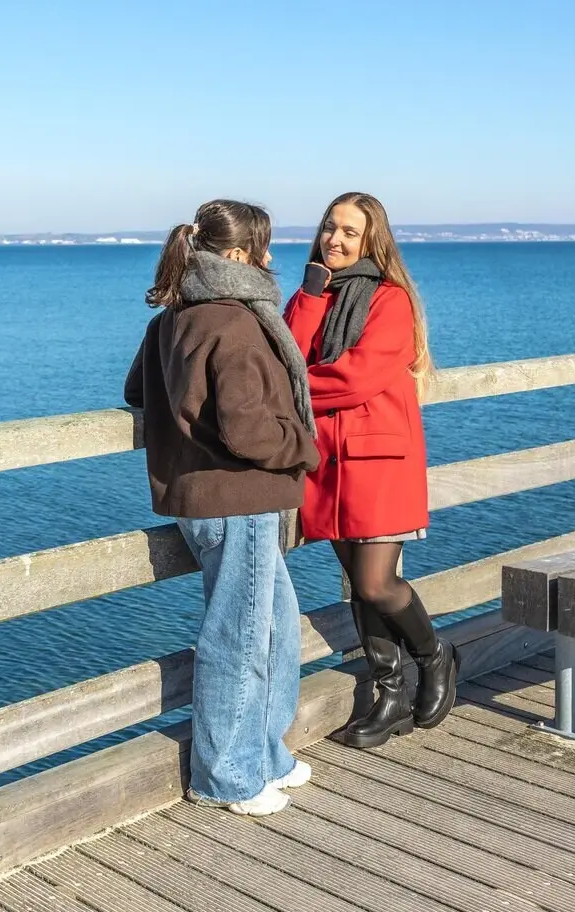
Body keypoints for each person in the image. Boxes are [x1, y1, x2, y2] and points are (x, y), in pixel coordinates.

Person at [125, 199, 320, 815]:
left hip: (205, 499)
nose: (270, 257)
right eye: (263, 247)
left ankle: (266, 755)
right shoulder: (234, 322)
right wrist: (304, 446)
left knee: (275, 626)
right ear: (238, 256)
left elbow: (136, 391)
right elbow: (247, 431)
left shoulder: (173, 319)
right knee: (240, 637)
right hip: (240, 499)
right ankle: (228, 776)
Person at [283, 191, 458, 749]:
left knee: (375, 582)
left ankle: (435, 654)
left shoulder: (390, 300)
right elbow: (287, 353)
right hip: (328, 464)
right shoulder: (316, 294)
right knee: (360, 587)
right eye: (329, 227)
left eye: (349, 232)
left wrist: (286, 390)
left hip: (378, 460)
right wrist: (310, 295)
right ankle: (389, 695)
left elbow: (353, 378)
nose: (334, 239)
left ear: (371, 240)